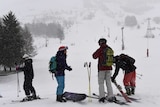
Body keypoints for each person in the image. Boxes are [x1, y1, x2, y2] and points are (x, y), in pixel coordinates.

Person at [92, 38, 116, 103]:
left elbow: (94, 56)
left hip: (101, 69)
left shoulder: (100, 49)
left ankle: (102, 96)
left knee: (101, 83)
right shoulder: (109, 49)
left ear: (100, 43)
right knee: (108, 82)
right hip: (109, 68)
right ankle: (110, 95)